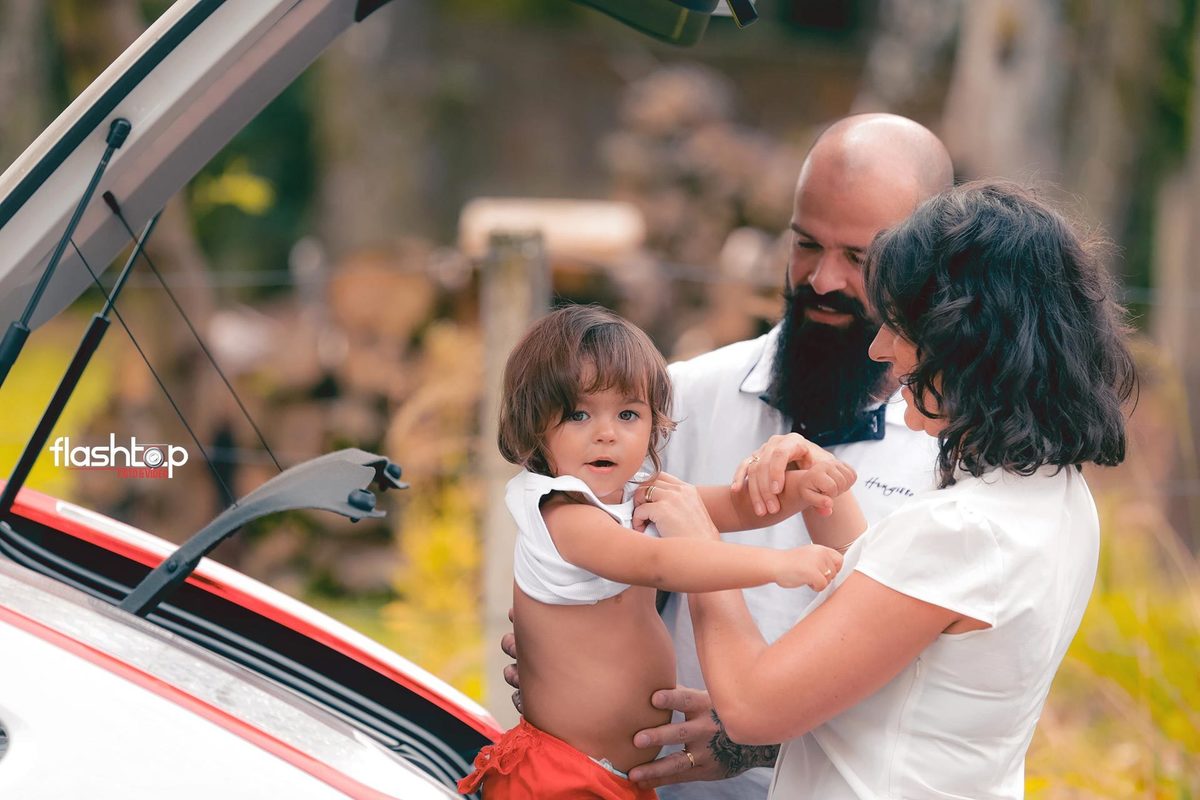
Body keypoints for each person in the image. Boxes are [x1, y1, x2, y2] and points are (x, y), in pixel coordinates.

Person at [639, 180, 1136, 798]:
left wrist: (698, 542)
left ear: (971, 344)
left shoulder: (962, 530)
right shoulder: (1056, 497)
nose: (881, 350)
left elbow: (750, 707)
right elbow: (898, 611)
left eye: (901, 329)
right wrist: (822, 489)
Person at [624, 112, 957, 799]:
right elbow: (609, 564)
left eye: (861, 260)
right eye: (806, 245)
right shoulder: (682, 396)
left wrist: (750, 739)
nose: (824, 280)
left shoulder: (956, 457)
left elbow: (926, 691)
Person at [459, 304, 854, 799]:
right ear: (535, 423)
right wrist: (778, 565)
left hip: (615, 777)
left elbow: (733, 508)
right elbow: (662, 564)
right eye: (579, 414)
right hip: (562, 775)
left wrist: (800, 491)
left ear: (654, 423)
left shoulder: (635, 493)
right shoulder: (562, 516)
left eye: (628, 414)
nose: (606, 432)